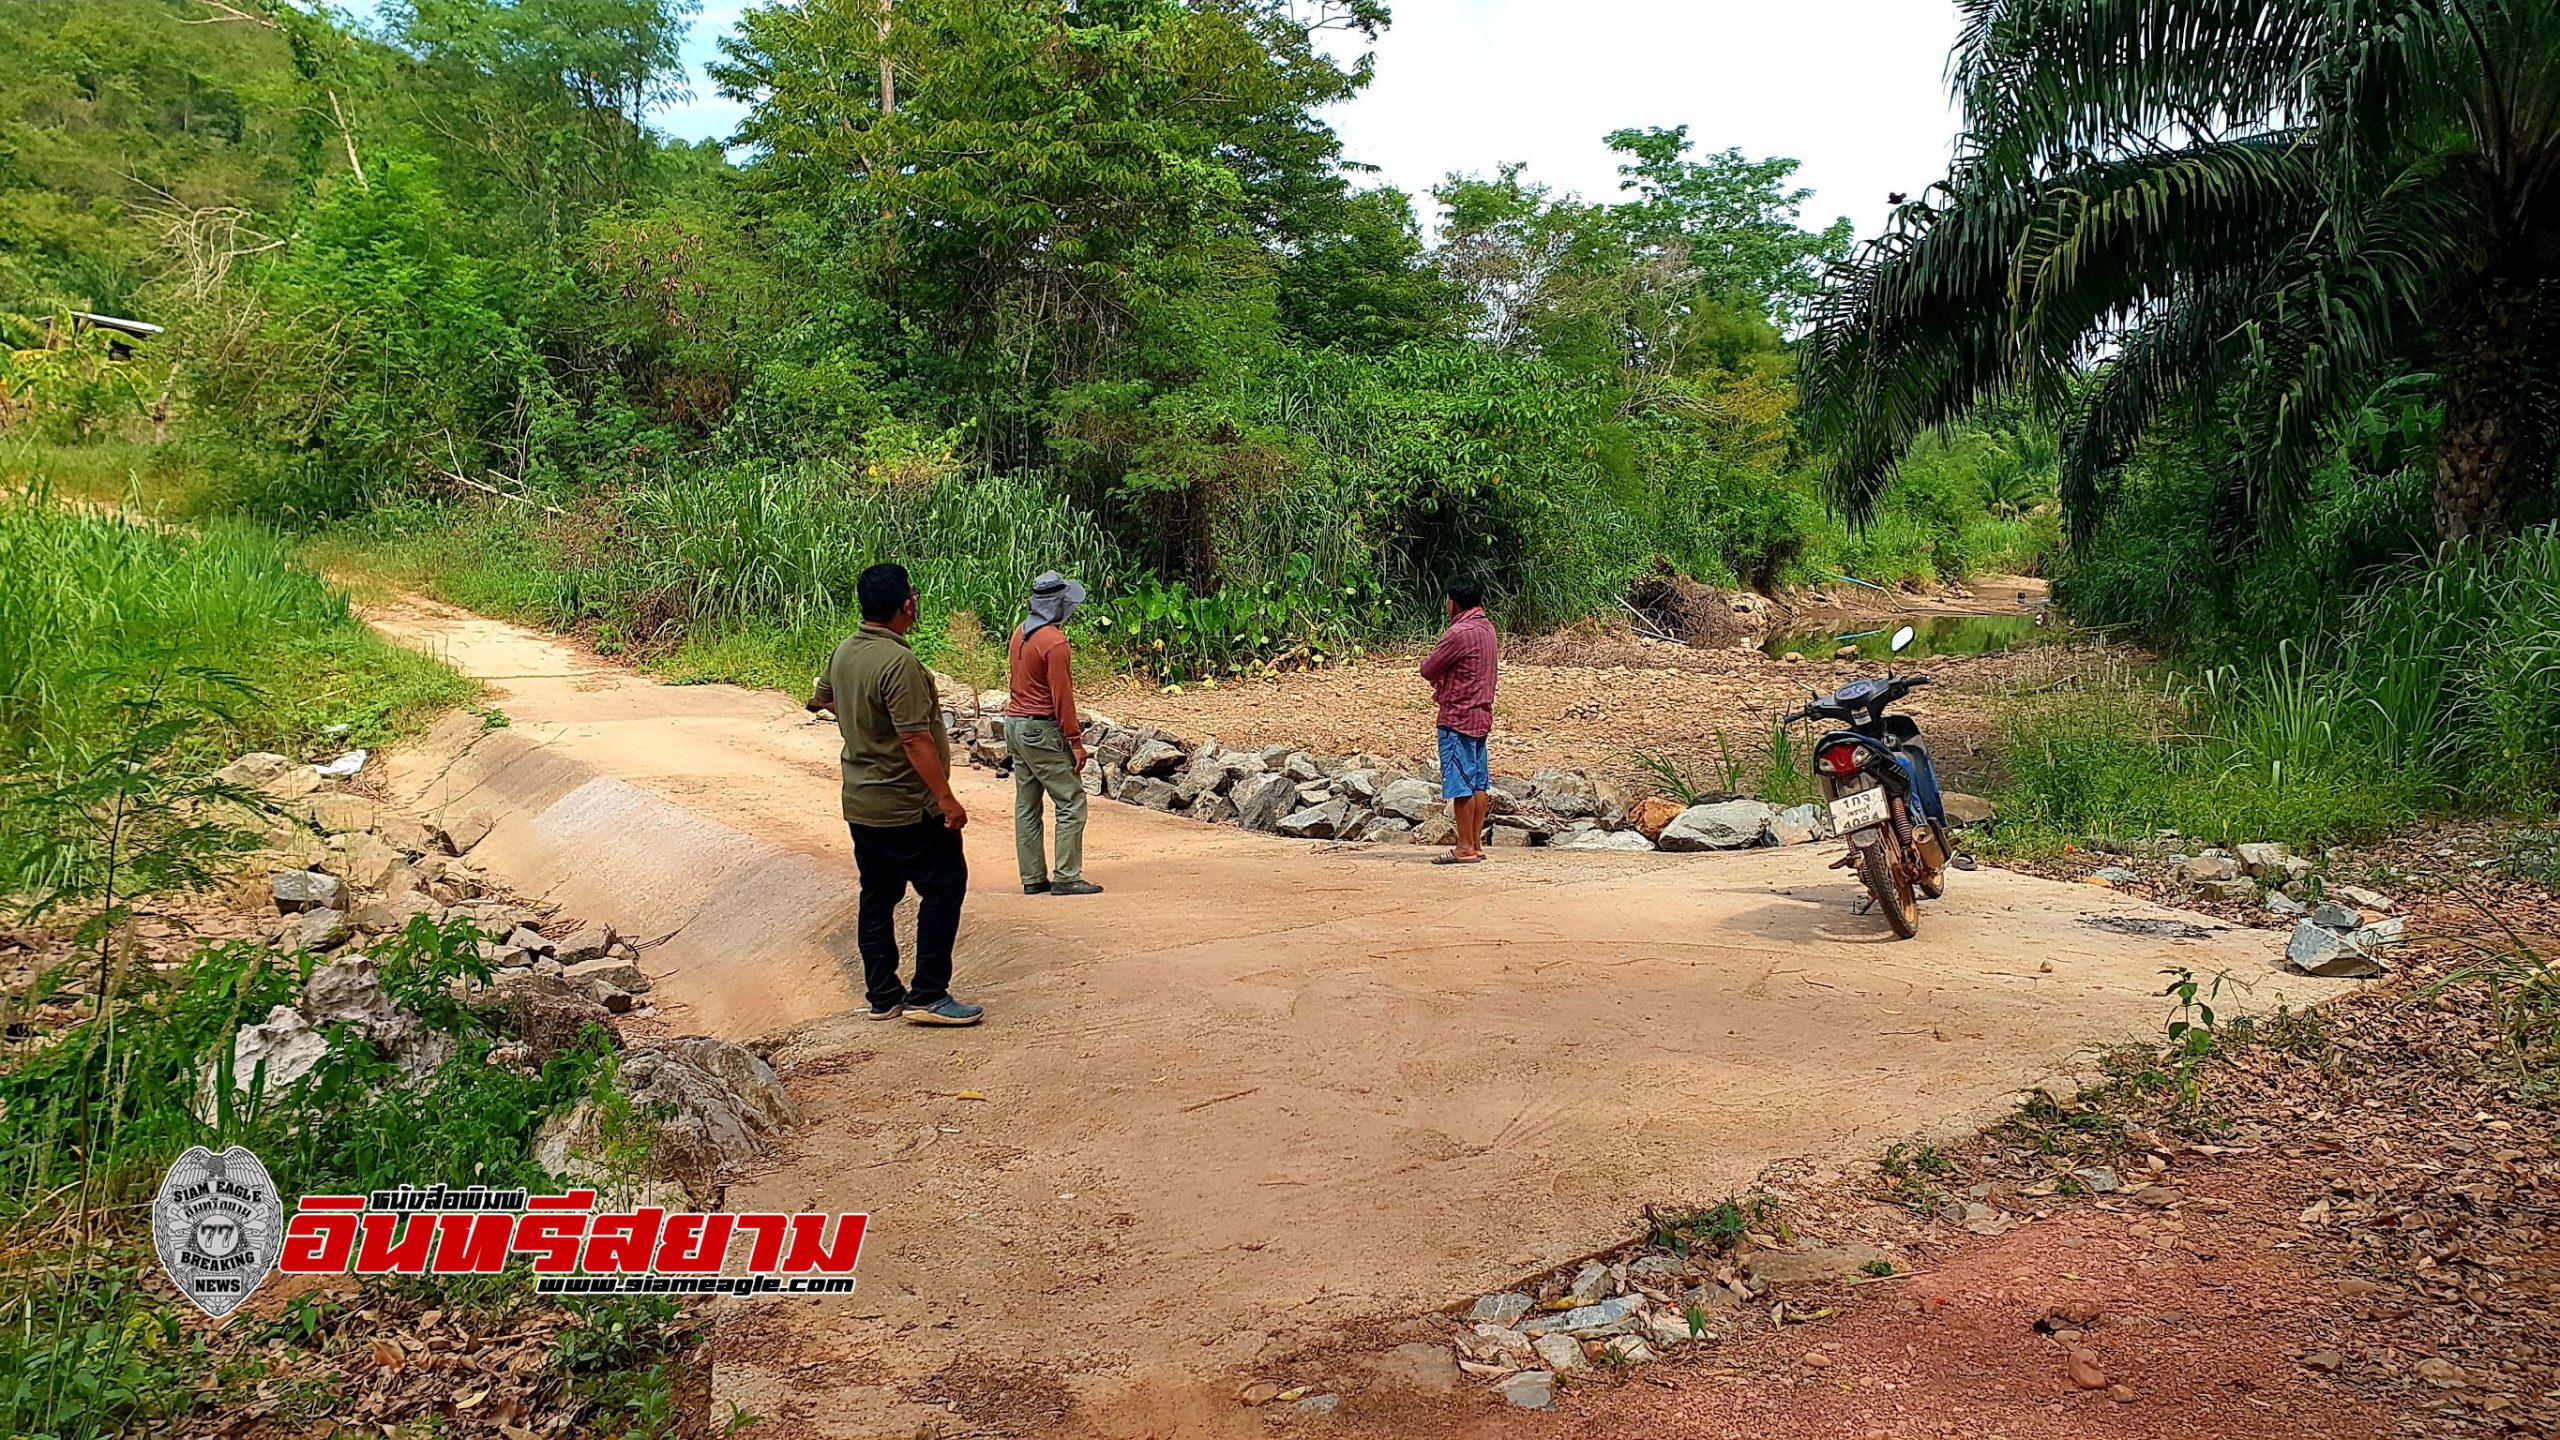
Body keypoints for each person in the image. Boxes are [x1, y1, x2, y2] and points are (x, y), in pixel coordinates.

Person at [806, 563, 982, 1026]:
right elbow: (914, 738)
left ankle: (883, 994)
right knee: (944, 886)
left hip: (862, 802)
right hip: (908, 804)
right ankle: (929, 992)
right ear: (907, 605)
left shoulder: (844, 652)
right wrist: (946, 798)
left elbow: (818, 700)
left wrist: (861, 723)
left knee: (878, 894)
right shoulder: (898, 663)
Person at [1005, 571, 1102, 897]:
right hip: (1040, 729)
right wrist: (1075, 742)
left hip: (1015, 725)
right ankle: (1066, 876)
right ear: (1059, 605)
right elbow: (1062, 697)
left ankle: (1032, 877)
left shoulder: (1020, 633)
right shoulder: (1055, 643)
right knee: (1071, 801)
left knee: (1027, 804)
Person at [1419, 576, 1498, 865]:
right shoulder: (1487, 629)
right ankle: (1475, 844)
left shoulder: (1458, 633)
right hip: (1481, 715)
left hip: (1457, 717)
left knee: (1460, 784)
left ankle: (1464, 846)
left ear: (1453, 602)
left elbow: (1428, 669)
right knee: (1479, 783)